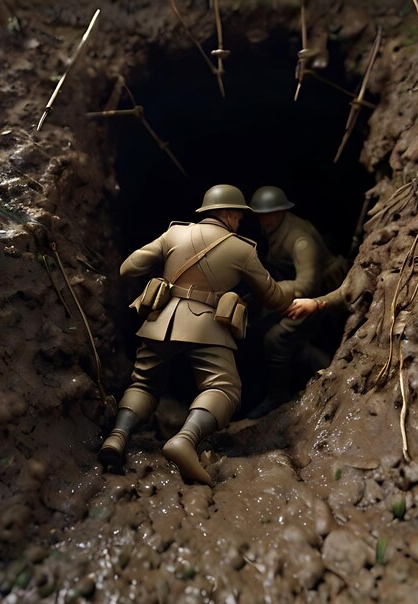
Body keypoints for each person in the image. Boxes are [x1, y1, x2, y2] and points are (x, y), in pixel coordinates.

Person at [99, 184, 294, 486]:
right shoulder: (241, 249)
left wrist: (164, 275)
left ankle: (117, 437)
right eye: (239, 217)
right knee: (224, 389)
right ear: (229, 213)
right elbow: (274, 298)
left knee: (145, 384)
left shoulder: (174, 234)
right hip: (207, 328)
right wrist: (296, 290)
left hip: (159, 322)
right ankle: (185, 440)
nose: (240, 222)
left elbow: (128, 268)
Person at [245, 185, 347, 418]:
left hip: (320, 295)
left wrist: (268, 292)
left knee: (277, 339)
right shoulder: (276, 231)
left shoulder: (300, 240)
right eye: (261, 215)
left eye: (269, 214)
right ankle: (328, 371)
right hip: (299, 291)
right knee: (261, 328)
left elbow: (306, 286)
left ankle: (279, 395)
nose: (265, 220)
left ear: (281, 212)